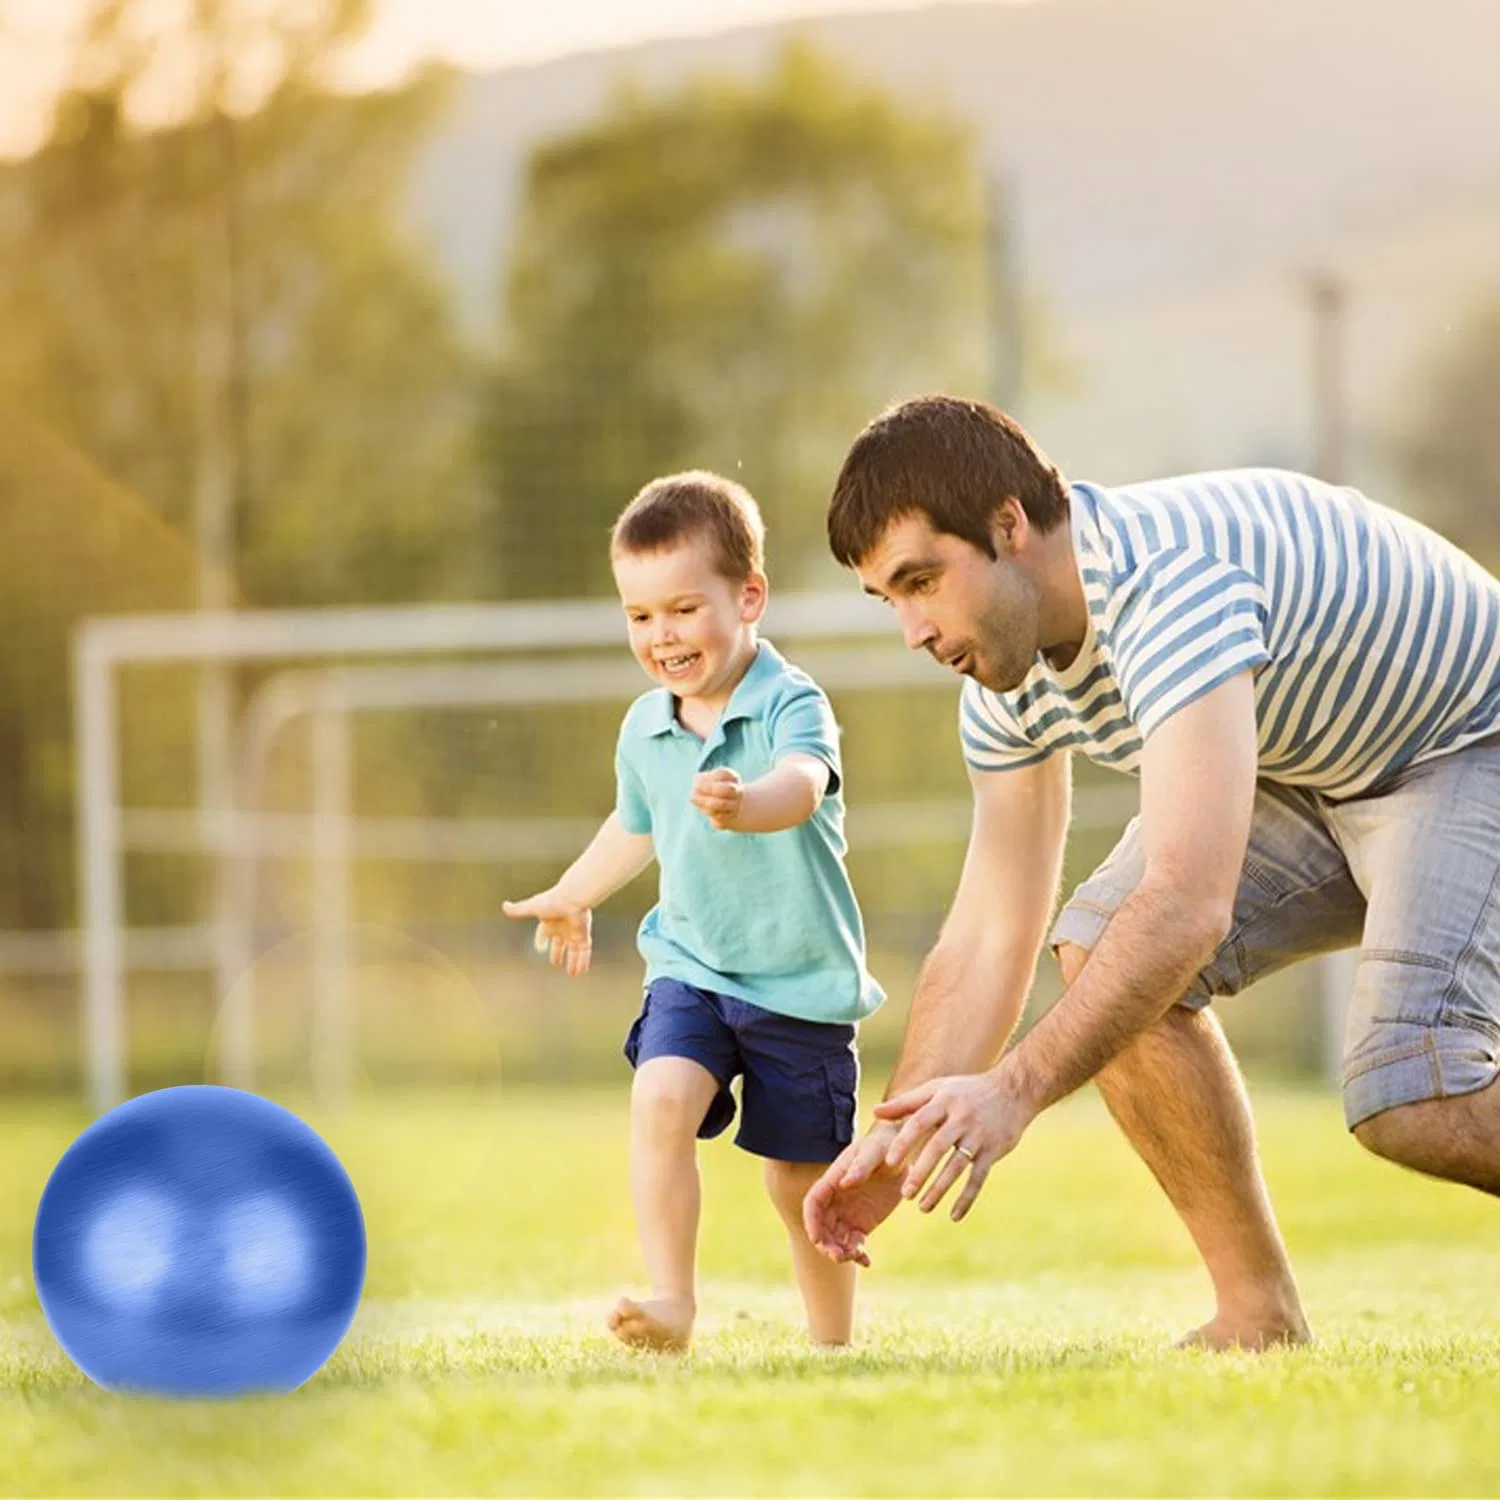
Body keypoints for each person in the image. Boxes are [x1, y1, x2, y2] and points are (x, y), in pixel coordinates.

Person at [802, 393, 1500, 1350]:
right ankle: (1259, 1318)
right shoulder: (1006, 677)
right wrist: (905, 1126)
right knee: (1100, 952)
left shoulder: (1168, 589)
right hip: (1317, 766)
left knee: (1412, 1095)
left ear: (1009, 523)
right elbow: (989, 930)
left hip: (1467, 740)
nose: (913, 631)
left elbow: (1185, 907)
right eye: (890, 598)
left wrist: (1013, 1090)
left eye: (922, 580)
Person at [505, 471, 884, 1352]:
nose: (661, 636)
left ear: (749, 596)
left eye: (682, 609)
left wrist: (745, 803)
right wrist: (572, 892)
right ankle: (672, 1301)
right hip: (693, 967)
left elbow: (801, 785)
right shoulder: (645, 726)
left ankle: (832, 1341)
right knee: (662, 1096)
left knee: (800, 1185)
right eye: (640, 616)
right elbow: (634, 825)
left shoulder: (794, 701)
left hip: (800, 984)